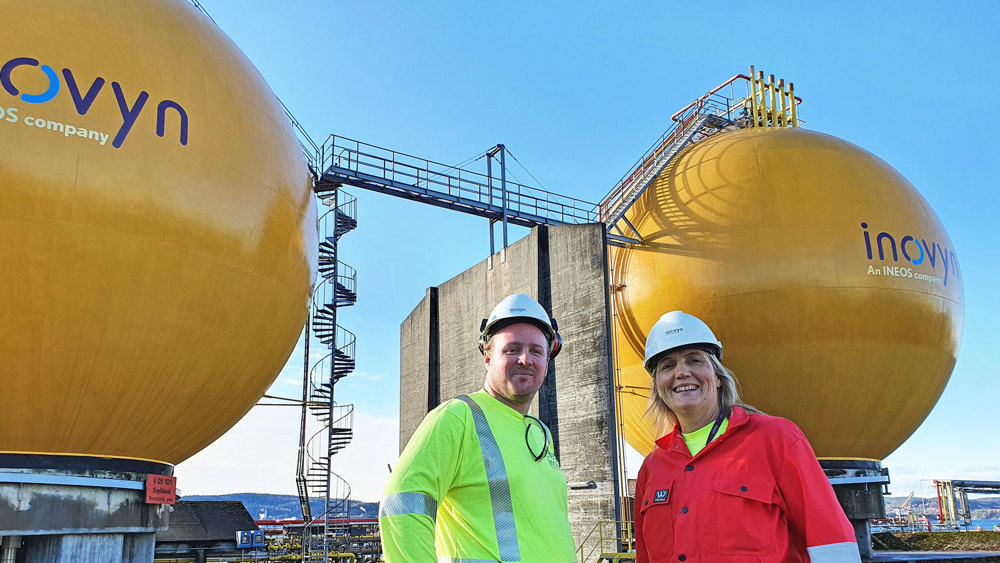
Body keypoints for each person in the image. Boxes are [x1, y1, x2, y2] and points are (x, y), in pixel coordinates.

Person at [634, 311, 861, 563]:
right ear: (657, 387)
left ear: (718, 377)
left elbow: (831, 538)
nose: (681, 372)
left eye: (695, 360)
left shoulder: (776, 439)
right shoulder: (652, 469)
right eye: (668, 365)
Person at [379, 293, 577, 562]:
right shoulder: (458, 417)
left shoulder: (540, 434)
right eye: (512, 349)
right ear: (487, 357)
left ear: (547, 359)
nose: (525, 360)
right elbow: (401, 505)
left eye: (536, 351)